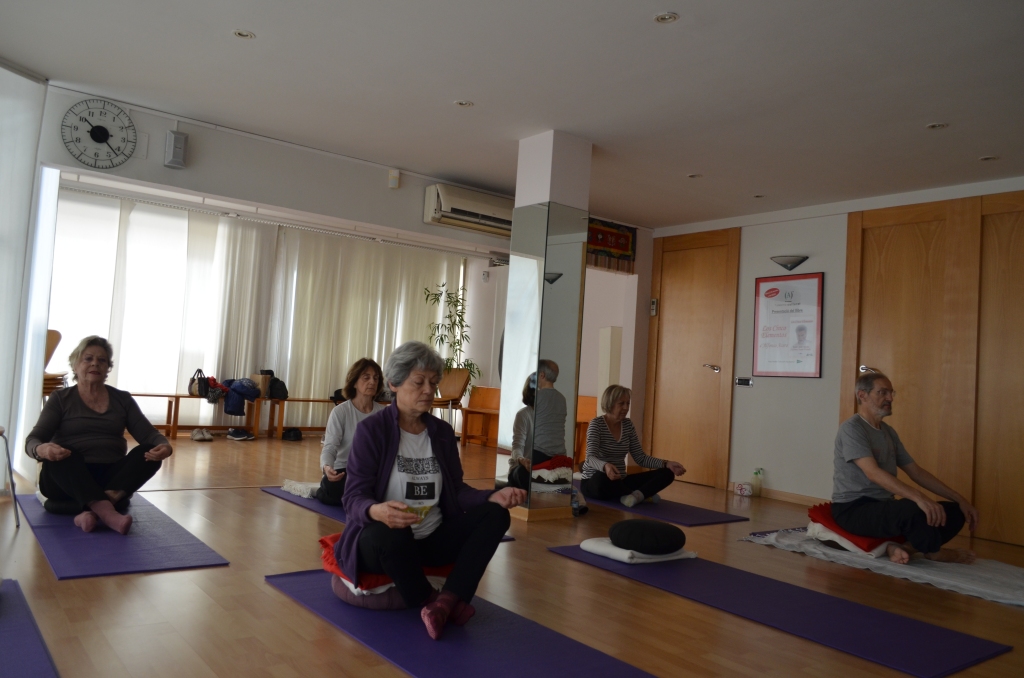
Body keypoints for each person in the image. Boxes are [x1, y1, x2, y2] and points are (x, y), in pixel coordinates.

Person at [337, 341, 526, 639]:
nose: (429, 390)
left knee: (496, 515)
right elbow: (353, 498)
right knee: (390, 532)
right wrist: (377, 510)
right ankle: (427, 600)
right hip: (386, 541)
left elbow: (456, 491)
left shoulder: (441, 433)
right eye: (419, 382)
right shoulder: (372, 430)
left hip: (430, 539)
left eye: (433, 382)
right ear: (394, 384)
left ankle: (447, 601)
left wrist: (491, 496)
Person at [25, 336, 173, 534]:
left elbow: (149, 434)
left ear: (107, 368)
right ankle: (109, 513)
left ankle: (93, 511)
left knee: (148, 453)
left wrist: (165, 446)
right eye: (88, 359)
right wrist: (41, 449)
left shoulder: (122, 399)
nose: (95, 363)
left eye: (102, 360)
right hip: (67, 478)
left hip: (109, 477)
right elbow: (32, 440)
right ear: (75, 365)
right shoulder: (60, 399)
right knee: (64, 454)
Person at [831, 371, 979, 564]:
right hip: (853, 509)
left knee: (953, 511)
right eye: (883, 392)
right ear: (862, 395)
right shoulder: (852, 429)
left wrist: (960, 499)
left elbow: (916, 472)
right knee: (912, 509)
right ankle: (933, 551)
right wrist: (920, 498)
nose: (890, 398)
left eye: (891, 393)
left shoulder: (889, 432)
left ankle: (906, 548)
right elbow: (873, 473)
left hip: (884, 505)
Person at [580, 384, 685, 507]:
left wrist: (666, 463)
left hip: (620, 481)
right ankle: (641, 494)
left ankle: (634, 496)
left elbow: (640, 458)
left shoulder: (628, 425)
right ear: (610, 404)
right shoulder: (596, 424)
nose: (626, 407)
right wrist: (605, 466)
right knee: (602, 478)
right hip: (595, 482)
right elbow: (590, 458)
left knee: (667, 473)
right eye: (621, 403)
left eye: (628, 403)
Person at [316, 358, 386, 505]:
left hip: (373, 472)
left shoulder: (384, 413)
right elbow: (330, 447)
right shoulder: (340, 412)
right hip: (346, 471)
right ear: (354, 382)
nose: (372, 382)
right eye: (366, 377)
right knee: (334, 489)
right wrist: (327, 467)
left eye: (375, 378)